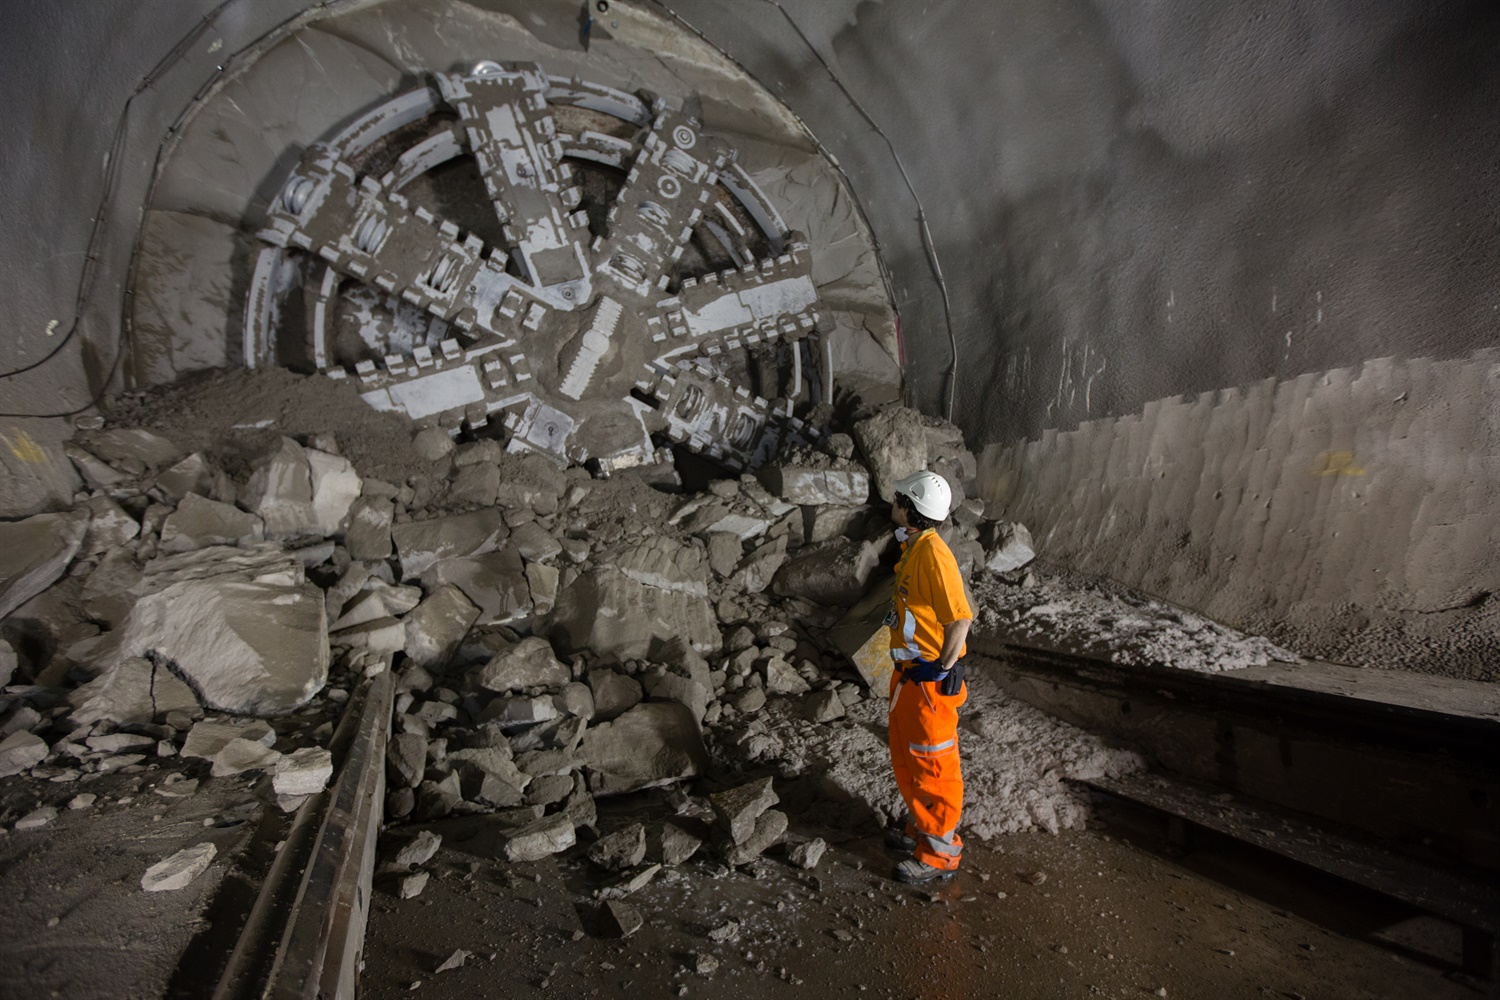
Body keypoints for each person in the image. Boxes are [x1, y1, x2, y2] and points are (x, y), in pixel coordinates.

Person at [882, 469, 972, 883]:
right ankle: (920, 830)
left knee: (933, 769)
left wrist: (943, 668)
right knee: (909, 761)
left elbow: (960, 620)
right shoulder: (915, 548)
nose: (894, 501)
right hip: (909, 680)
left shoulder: (934, 555)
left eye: (900, 497)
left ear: (911, 510)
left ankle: (940, 856)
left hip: (928, 685)